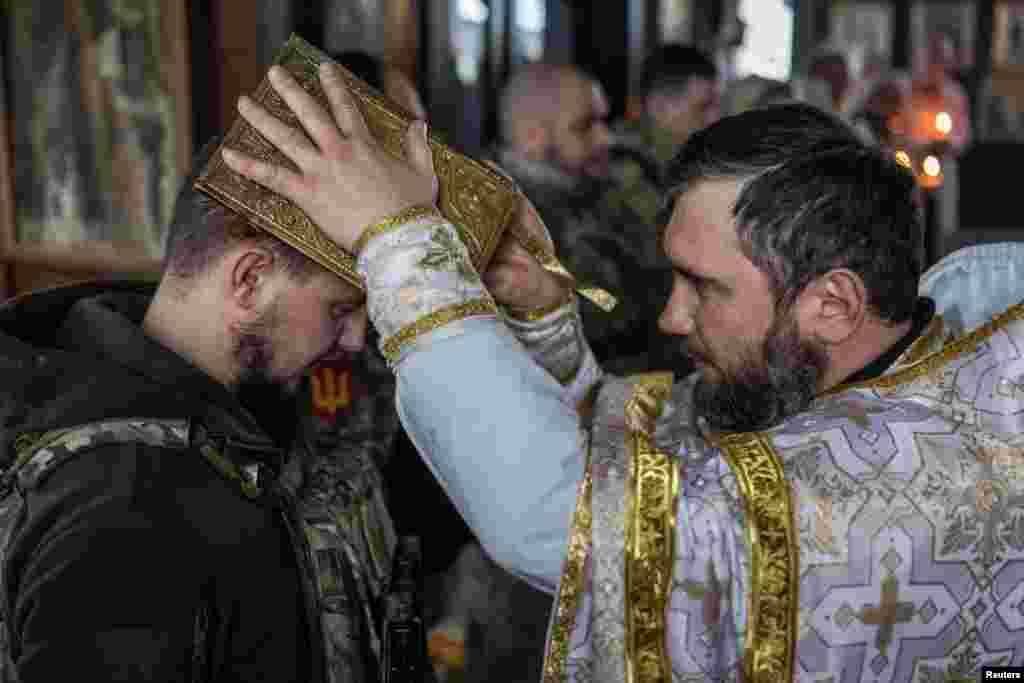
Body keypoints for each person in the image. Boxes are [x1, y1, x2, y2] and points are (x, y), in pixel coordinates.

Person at [226, 64, 1024, 682]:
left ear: (833, 303)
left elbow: (572, 518)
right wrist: (544, 320)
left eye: (705, 286)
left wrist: (396, 242)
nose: (672, 319)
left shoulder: (906, 479)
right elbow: (659, 457)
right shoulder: (898, 357)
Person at [496, 62, 673, 373]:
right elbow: (594, 306)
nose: (606, 139)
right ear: (532, 135)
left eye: (603, 122)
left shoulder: (592, 191)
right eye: (585, 126)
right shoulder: (507, 220)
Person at [611, 44, 720, 226]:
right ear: (659, 107)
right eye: (703, 107)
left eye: (716, 105)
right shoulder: (623, 163)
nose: (715, 117)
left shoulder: (683, 159)